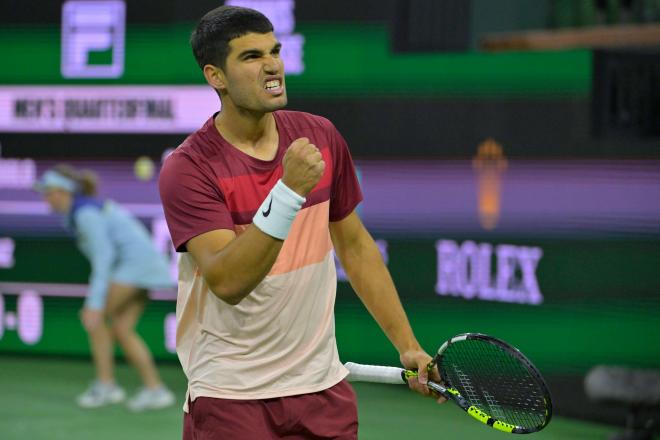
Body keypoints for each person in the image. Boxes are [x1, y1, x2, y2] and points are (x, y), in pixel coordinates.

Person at [158, 5, 444, 439]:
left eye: (274, 51)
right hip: (231, 397)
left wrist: (407, 345)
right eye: (251, 57)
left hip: (322, 392)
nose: (272, 64)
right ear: (216, 76)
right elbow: (228, 281)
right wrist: (289, 192)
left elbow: (355, 247)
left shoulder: (321, 136)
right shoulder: (190, 168)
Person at [34, 164, 176, 411]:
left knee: (94, 318)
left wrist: (94, 304)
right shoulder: (81, 212)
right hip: (146, 267)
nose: (46, 197)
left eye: (49, 191)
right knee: (122, 329)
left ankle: (106, 386)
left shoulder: (85, 214)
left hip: (135, 268)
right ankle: (155, 389)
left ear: (64, 191)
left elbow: (103, 259)